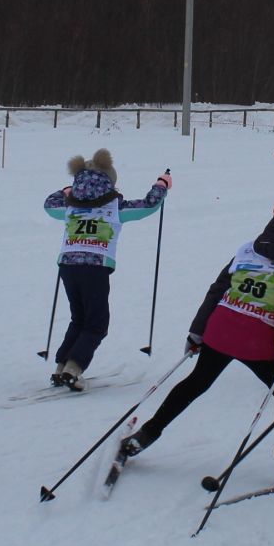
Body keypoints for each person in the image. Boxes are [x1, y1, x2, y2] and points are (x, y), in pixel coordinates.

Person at [118, 194, 274, 484]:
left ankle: (145, 435)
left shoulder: (247, 250)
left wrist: (197, 331)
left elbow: (218, 290)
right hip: (258, 342)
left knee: (195, 383)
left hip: (221, 330)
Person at [41, 149, 172, 390]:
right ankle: (74, 368)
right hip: (96, 267)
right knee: (97, 324)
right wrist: (161, 184)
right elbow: (149, 205)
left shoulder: (69, 206)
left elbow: (50, 206)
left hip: (68, 266)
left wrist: (65, 192)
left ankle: (62, 366)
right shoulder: (115, 207)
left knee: (79, 318)